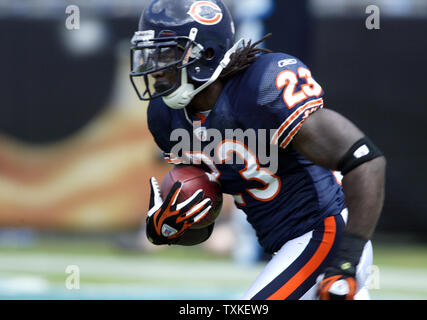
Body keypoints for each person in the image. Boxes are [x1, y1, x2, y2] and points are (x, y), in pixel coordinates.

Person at [129, 0, 386, 300]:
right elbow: (204, 222)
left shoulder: (261, 87)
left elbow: (366, 160)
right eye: (151, 55)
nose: (156, 69)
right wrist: (172, 227)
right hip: (286, 245)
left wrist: (347, 261)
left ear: (206, 54)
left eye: (167, 54)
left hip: (325, 232)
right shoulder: (165, 117)